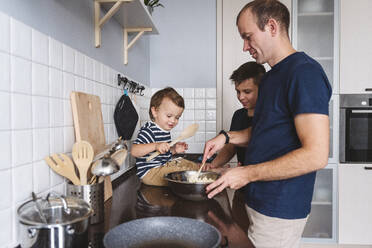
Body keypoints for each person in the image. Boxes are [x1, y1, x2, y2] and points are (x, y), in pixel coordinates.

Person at [202, 1, 332, 247]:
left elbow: (316, 155)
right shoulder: (271, 77)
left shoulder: (304, 73)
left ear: (271, 26)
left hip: (279, 207)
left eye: (248, 37)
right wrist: (226, 137)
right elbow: (264, 133)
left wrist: (246, 173)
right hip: (257, 197)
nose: (244, 47)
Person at [131, 87, 199, 186]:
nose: (173, 121)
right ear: (155, 112)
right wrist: (155, 145)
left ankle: (202, 171)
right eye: (169, 116)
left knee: (188, 164)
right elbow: (134, 151)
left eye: (177, 117)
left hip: (163, 166)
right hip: (150, 173)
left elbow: (161, 153)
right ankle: (197, 178)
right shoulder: (149, 130)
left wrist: (174, 150)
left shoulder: (164, 130)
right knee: (182, 172)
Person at [205, 61, 265, 171]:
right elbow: (230, 147)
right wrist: (213, 165)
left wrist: (225, 136)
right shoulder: (238, 115)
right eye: (238, 91)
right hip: (241, 183)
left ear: (262, 89)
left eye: (247, 92)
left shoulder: (270, 117)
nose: (241, 97)